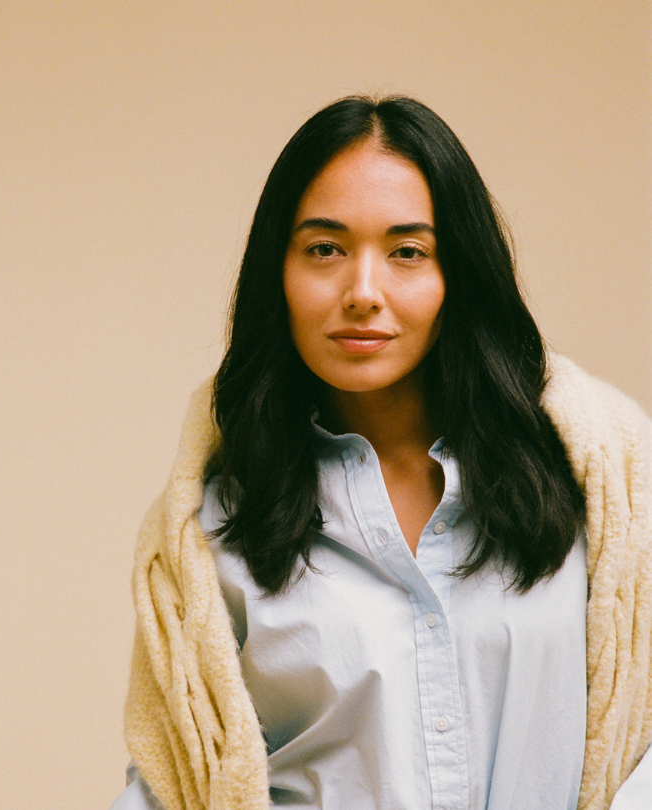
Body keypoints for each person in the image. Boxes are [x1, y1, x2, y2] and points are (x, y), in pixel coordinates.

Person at [109, 96, 652, 810]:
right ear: (279, 270)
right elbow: (171, 780)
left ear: (457, 274)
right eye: (325, 249)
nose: (363, 293)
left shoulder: (603, 479)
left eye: (407, 252)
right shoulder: (208, 533)